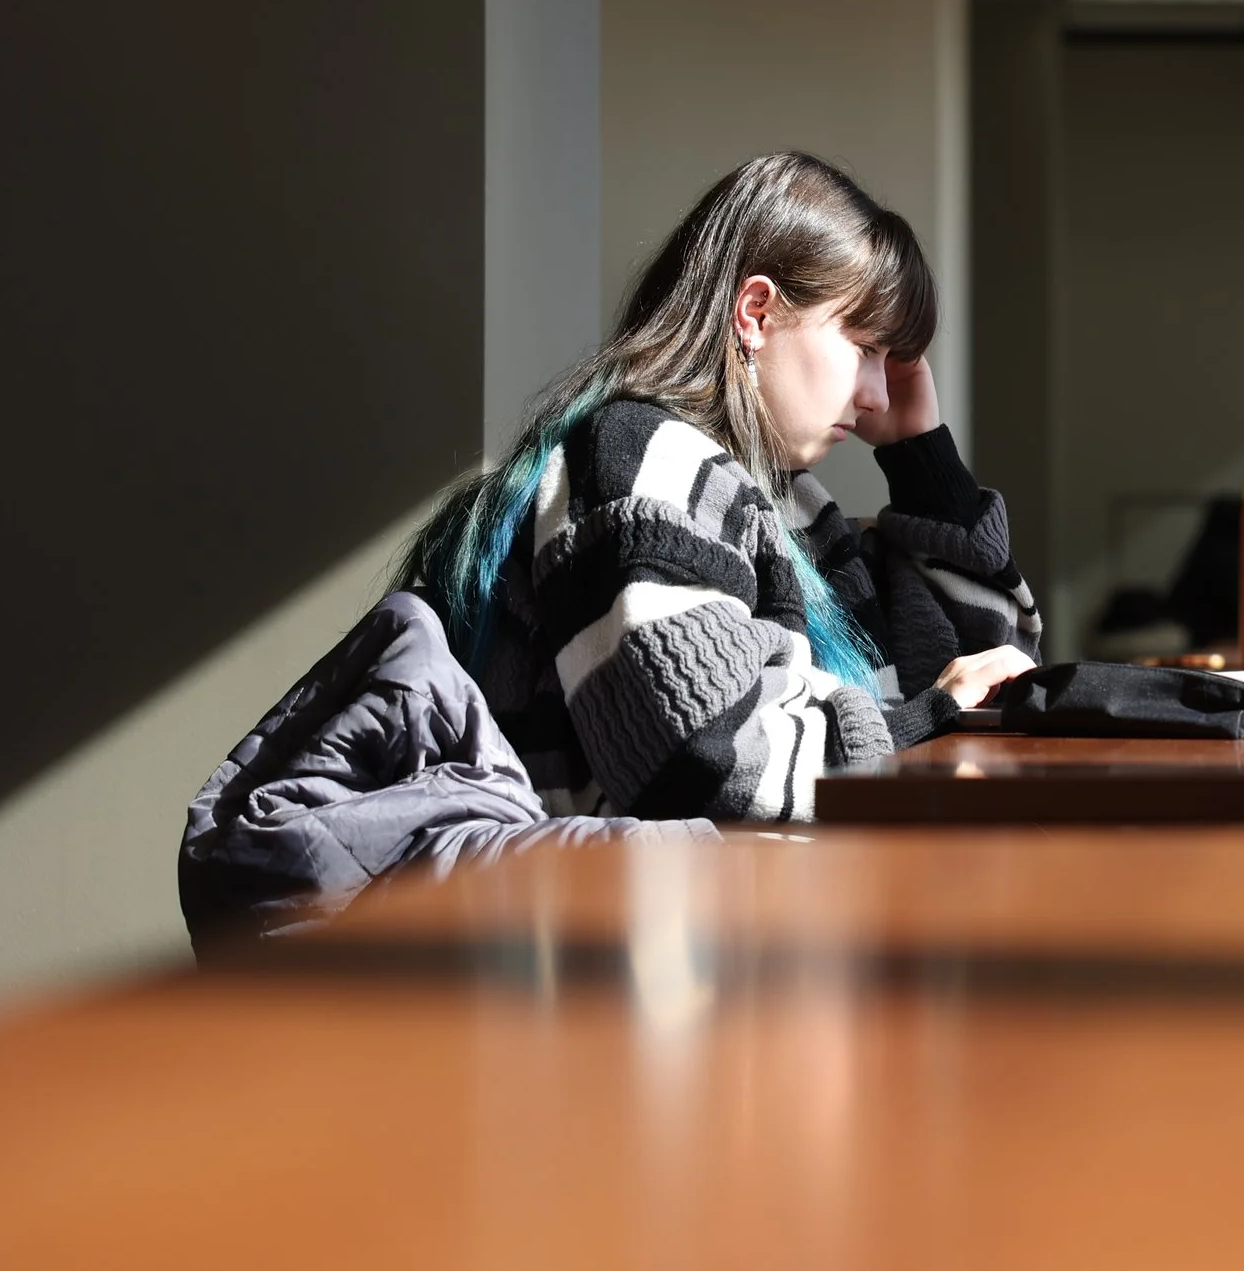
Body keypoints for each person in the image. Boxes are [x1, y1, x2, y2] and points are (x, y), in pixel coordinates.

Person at [395, 152, 1037, 823]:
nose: (879, 395)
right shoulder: (643, 459)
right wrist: (919, 725)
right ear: (756, 311)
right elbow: (700, 752)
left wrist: (924, 463)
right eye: (865, 348)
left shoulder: (788, 506)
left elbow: (993, 679)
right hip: (618, 918)